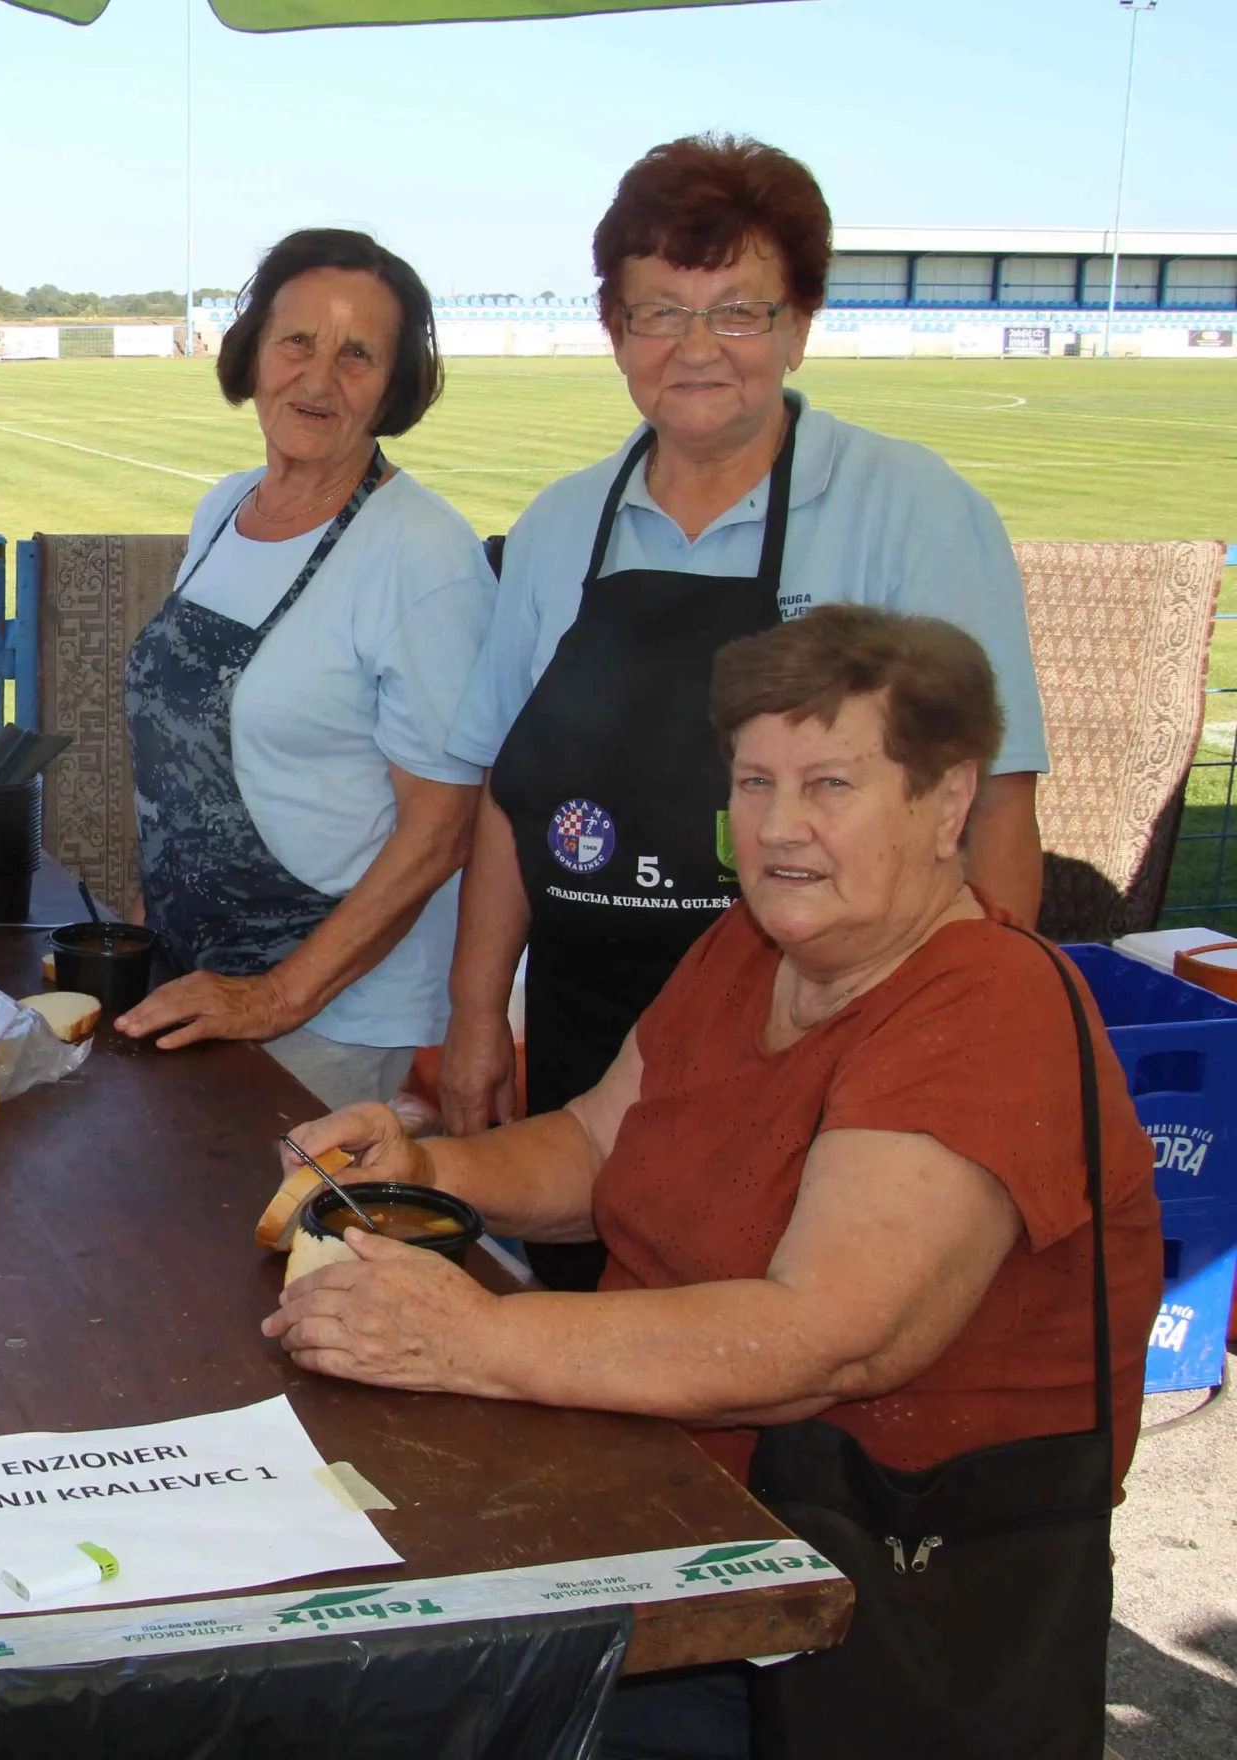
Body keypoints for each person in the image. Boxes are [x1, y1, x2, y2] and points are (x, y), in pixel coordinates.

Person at [268, 608, 1159, 1759]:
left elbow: (831, 1338)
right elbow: (598, 1147)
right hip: (659, 1510)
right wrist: (424, 1162)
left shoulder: (984, 1007)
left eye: (830, 783)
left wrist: (475, 1338)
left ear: (946, 803)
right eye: (753, 781)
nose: (779, 825)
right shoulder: (752, 942)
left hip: (833, 1621)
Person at [437, 135, 1050, 1290]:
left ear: (799, 324)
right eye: (660, 312)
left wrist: (958, 1060)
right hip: (586, 1047)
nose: (696, 349)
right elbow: (504, 796)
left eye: (737, 311)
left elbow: (993, 818)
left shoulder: (912, 511)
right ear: (613, 329)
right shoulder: (562, 524)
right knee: (583, 1377)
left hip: (826, 1048)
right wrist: (477, 1012)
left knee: (782, 1394)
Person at [117, 228, 497, 1108]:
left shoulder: (420, 557)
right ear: (254, 353)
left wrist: (277, 996)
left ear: (395, 384)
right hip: (195, 981)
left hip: (331, 1021)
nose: (319, 379)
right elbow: (188, 760)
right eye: (298, 342)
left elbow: (443, 830)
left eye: (358, 355)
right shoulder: (223, 509)